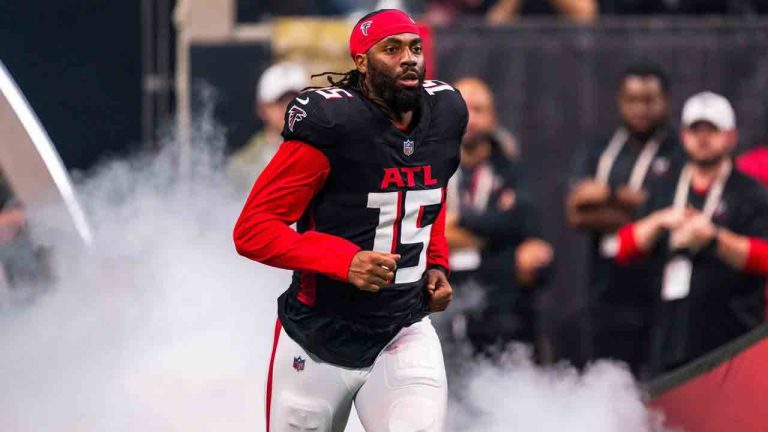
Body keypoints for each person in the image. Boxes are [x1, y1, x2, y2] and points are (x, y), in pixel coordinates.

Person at [233, 9, 467, 431]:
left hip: (403, 328)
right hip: (319, 335)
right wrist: (343, 260)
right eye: (391, 49)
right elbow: (252, 230)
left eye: (414, 48)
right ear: (361, 62)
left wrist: (435, 263)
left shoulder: (445, 112)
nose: (408, 58)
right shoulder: (333, 124)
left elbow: (430, 192)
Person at [614, 92, 768, 375]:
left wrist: (713, 239)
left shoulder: (750, 193)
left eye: (712, 130)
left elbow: (764, 258)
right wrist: (660, 221)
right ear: (684, 135)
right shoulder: (663, 189)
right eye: (696, 130)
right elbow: (622, 248)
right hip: (667, 339)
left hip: (731, 341)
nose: (703, 138)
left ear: (731, 136)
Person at [566, 65, 684, 375]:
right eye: (632, 100)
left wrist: (602, 200)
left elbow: (666, 215)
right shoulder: (601, 149)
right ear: (619, 101)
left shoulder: (678, 153)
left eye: (649, 100)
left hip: (654, 290)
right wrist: (622, 198)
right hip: (604, 288)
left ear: (666, 101)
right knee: (604, 379)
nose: (641, 109)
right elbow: (577, 212)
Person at [445, 130, 553, 354]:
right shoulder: (428, 166)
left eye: (479, 110)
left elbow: (524, 225)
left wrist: (459, 221)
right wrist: (495, 234)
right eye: (466, 108)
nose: (470, 118)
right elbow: (423, 232)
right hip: (440, 286)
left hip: (497, 294)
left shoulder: (511, 173)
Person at [226, 61, 308, 191]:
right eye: (279, 101)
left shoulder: (329, 155)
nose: (289, 109)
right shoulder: (242, 166)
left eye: (297, 100)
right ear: (261, 108)